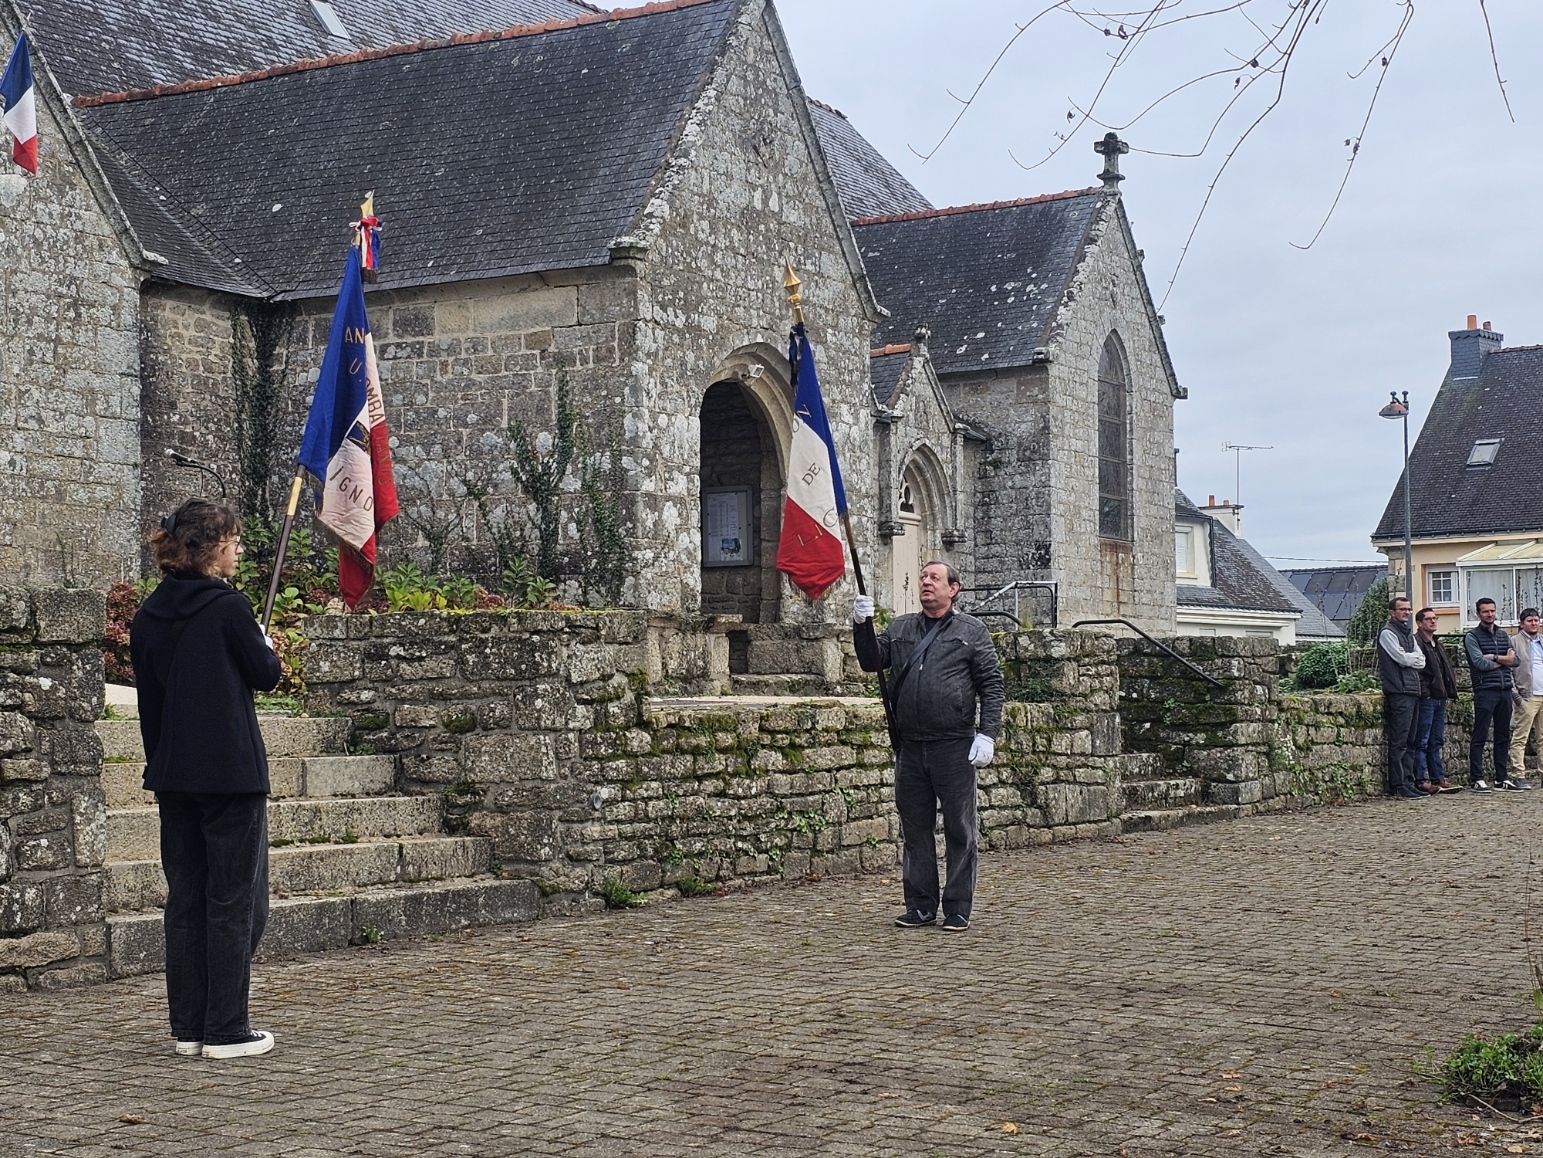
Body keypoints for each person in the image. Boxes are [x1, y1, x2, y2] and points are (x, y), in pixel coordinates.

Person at [130, 498, 283, 1059]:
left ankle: (189, 1028)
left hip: (174, 775)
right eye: (234, 541)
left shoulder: (147, 616)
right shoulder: (229, 608)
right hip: (231, 774)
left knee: (187, 900)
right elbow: (265, 674)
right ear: (212, 549)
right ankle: (227, 1029)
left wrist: (164, 761)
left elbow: (150, 707)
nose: (239, 550)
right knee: (235, 900)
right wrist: (267, 645)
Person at [852, 561, 1004, 932]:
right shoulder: (902, 628)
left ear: (954, 589)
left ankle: (956, 907)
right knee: (915, 828)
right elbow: (872, 661)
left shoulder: (972, 631)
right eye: (922, 577)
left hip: (953, 744)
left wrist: (987, 733)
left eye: (935, 578)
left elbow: (992, 686)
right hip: (911, 745)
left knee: (959, 829)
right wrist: (861, 626)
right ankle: (920, 905)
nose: (926, 583)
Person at [1463, 596, 1529, 791]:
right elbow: (1480, 664)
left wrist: (1493, 657)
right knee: (1480, 734)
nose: (1490, 614)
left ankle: (1501, 778)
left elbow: (1516, 661)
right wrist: (1504, 659)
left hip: (1505, 690)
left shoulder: (1502, 635)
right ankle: (1477, 778)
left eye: (1492, 610)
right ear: (1478, 613)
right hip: (1485, 690)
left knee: (1502, 736)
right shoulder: (1472, 636)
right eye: (1485, 611)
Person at [1375, 594, 1427, 799]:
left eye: (1408, 609)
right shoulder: (1388, 633)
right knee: (1399, 740)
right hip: (1398, 691)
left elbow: (1420, 661)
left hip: (1412, 690)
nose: (1406, 612)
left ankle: (1408, 780)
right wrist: (1410, 658)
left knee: (1412, 740)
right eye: (1402, 609)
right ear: (1392, 612)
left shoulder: (1408, 634)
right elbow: (1400, 658)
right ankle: (1398, 784)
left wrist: (1409, 658)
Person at [1413, 607, 1460, 794]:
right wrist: (1425, 692)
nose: (1433, 622)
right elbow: (1419, 671)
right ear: (1419, 623)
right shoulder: (1417, 642)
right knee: (1422, 739)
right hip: (1427, 698)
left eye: (1435, 618)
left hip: (1440, 697)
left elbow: (1444, 669)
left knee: (1436, 740)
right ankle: (1422, 779)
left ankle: (1437, 777)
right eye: (1429, 619)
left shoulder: (1436, 643)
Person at [1509, 608, 1543, 783]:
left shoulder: (1541, 641)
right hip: (1527, 695)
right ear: (1522, 623)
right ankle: (1518, 774)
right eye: (1530, 621)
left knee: (1542, 738)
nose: (1534, 623)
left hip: (1542, 694)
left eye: (1536, 620)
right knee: (1521, 737)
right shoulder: (1514, 641)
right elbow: (1509, 670)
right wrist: (1516, 696)